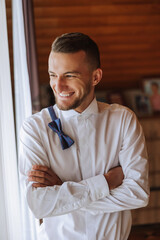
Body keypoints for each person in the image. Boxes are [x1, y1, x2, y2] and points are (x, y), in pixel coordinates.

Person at [19, 32, 149, 240]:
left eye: (69, 75)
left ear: (96, 77)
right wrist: (105, 182)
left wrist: (62, 191)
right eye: (53, 75)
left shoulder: (123, 120)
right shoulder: (34, 129)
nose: (58, 86)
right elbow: (39, 205)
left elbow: (138, 194)